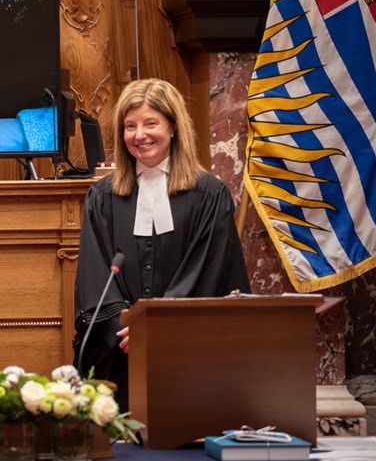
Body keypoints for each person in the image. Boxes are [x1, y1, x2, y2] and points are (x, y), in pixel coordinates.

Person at [73, 78, 250, 409]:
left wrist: (155, 327)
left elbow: (208, 270)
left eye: (150, 123)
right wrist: (127, 330)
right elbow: (95, 276)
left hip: (189, 353)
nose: (139, 135)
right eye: (130, 126)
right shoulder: (102, 197)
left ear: (173, 127)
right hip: (121, 353)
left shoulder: (210, 195)